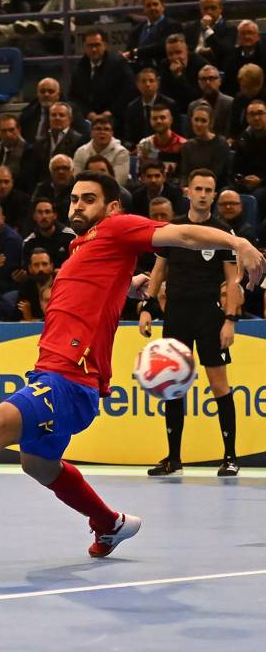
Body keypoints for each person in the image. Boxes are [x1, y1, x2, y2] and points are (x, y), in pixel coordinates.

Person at [0, 170, 266, 554]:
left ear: (112, 206)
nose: (77, 205)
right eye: (74, 198)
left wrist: (237, 242)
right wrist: (126, 285)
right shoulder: (81, 248)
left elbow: (181, 235)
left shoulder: (117, 228)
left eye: (88, 199)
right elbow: (97, 288)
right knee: (37, 464)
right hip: (51, 372)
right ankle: (109, 523)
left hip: (73, 378)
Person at [139, 169, 243, 477]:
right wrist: (146, 308)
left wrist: (231, 320)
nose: (202, 194)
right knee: (173, 388)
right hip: (176, 317)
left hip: (210, 317)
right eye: (197, 188)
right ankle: (173, 459)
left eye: (208, 190)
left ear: (213, 194)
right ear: (188, 192)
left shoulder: (223, 232)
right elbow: (158, 272)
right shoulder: (173, 229)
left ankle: (230, 457)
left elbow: (233, 281)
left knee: (219, 386)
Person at [123, 67, 178, 151]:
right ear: (137, 85)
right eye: (143, 81)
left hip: (166, 149)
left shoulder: (169, 105)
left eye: (151, 81)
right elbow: (129, 137)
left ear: (158, 83)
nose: (147, 84)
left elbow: (176, 132)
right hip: (140, 151)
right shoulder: (132, 107)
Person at [180, 103, 231, 187]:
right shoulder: (187, 145)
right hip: (193, 188)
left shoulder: (221, 143)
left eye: (203, 121)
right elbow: (184, 174)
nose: (198, 124)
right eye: (196, 120)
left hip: (216, 187)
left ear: (210, 123)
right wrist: (184, 188)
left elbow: (215, 174)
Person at [19, 197, 76, 270]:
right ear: (34, 216)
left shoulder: (71, 236)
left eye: (47, 212)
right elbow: (28, 271)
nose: (44, 216)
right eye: (40, 212)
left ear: (54, 215)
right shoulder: (28, 243)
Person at [73, 115, 129, 185]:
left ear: (112, 133)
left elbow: (119, 182)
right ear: (91, 133)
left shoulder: (121, 152)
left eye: (106, 129)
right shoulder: (80, 152)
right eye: (98, 129)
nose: (102, 132)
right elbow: (77, 179)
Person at [187, 64, 233, 138]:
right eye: (203, 79)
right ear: (199, 83)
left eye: (211, 78)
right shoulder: (193, 106)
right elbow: (190, 135)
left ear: (219, 81)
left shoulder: (230, 103)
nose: (207, 82)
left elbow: (229, 133)